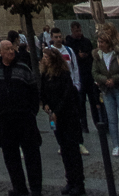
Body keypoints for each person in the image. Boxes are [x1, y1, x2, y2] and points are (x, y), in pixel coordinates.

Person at [0, 39, 43, 196]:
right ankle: (19, 188)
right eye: (8, 49)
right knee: (11, 157)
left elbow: (33, 90)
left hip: (25, 119)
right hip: (5, 120)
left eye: (12, 48)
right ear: (0, 52)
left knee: (32, 154)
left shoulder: (23, 68)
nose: (11, 51)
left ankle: (36, 188)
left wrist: (32, 112)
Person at [40, 43, 85, 196]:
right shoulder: (45, 75)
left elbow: (67, 96)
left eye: (46, 57)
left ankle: (79, 183)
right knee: (63, 149)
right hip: (53, 118)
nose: (43, 60)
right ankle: (69, 180)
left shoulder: (63, 75)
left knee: (72, 149)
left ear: (53, 60)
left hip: (67, 116)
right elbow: (43, 93)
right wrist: (45, 105)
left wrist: (57, 111)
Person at [93, 27, 119, 157]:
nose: (100, 44)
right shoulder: (97, 56)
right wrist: (104, 80)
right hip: (107, 90)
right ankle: (115, 145)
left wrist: (114, 79)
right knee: (112, 119)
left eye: (102, 42)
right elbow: (94, 72)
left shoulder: (118, 55)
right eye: (99, 42)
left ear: (108, 43)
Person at [66, 22, 98, 134]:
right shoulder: (69, 43)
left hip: (89, 75)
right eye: (76, 31)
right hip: (79, 76)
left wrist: (87, 55)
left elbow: (91, 55)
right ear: (72, 30)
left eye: (80, 30)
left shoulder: (86, 41)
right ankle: (83, 125)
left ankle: (97, 123)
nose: (79, 33)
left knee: (94, 101)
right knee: (81, 102)